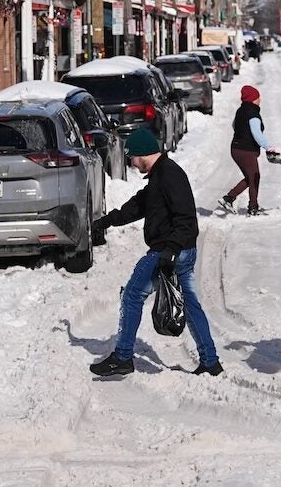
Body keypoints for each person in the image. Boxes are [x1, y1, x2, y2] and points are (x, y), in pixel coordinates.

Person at [90, 128, 222, 377]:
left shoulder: (170, 175)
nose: (130, 162)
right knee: (190, 305)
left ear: (141, 154)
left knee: (132, 295)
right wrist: (107, 221)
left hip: (169, 251)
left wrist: (170, 251)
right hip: (178, 251)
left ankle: (123, 356)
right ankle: (210, 361)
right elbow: (140, 204)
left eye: (132, 157)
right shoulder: (160, 175)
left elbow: (186, 218)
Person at [219, 84, 275, 216]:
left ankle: (229, 198)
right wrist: (268, 147)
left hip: (236, 148)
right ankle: (253, 208)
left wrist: (241, 135)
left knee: (250, 177)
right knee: (254, 178)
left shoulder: (241, 110)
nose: (260, 99)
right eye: (257, 97)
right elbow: (257, 134)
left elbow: (234, 125)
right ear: (253, 99)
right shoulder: (252, 113)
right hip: (246, 151)